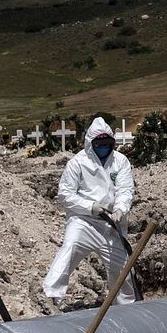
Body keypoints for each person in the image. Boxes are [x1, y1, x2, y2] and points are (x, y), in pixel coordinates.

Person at [43, 117, 137, 307]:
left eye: (107, 144)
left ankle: (127, 308)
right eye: (99, 144)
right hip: (84, 221)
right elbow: (65, 194)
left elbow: (125, 189)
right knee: (70, 247)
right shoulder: (78, 163)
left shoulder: (120, 161)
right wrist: (90, 207)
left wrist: (120, 208)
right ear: (90, 143)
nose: (103, 148)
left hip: (112, 224)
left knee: (122, 271)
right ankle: (52, 296)